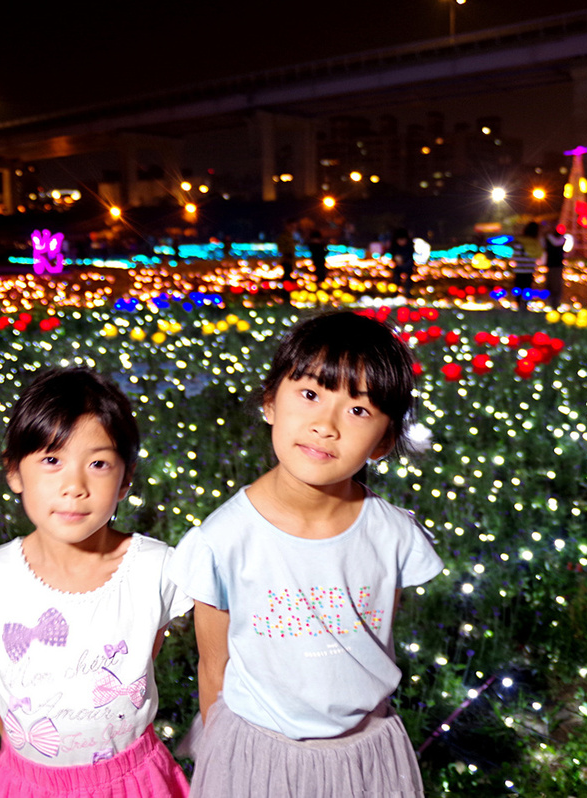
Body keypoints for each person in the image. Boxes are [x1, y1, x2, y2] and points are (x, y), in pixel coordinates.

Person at [169, 312, 443, 798]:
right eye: (311, 394)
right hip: (258, 757)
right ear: (270, 401)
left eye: (358, 410)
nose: (325, 425)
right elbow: (214, 667)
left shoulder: (392, 534)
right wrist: (224, 758)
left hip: (364, 755)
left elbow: (375, 635)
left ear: (383, 441)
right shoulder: (224, 539)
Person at [0, 367, 191, 798]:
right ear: (14, 472)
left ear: (125, 479)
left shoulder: (156, 570)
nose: (75, 486)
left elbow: (141, 665)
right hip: (28, 783)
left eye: (99, 463)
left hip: (132, 781)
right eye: (52, 460)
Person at [543, 223, 568, 309]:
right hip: (557, 265)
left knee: (552, 284)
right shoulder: (562, 240)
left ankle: (552, 303)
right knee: (556, 285)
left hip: (552, 265)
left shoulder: (547, 239)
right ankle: (555, 303)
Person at [389, 227, 414, 296]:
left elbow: (410, 254)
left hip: (408, 264)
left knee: (408, 278)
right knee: (396, 278)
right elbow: (392, 253)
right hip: (398, 265)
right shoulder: (394, 247)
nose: (401, 242)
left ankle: (408, 292)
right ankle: (396, 292)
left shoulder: (409, 247)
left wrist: (404, 260)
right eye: (400, 240)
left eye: (403, 240)